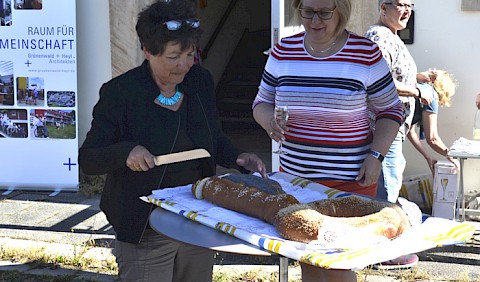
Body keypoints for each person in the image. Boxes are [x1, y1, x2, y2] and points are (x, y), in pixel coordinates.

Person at [78, 1, 267, 281]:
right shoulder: (120, 93)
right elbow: (90, 158)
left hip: (196, 219)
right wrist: (126, 152)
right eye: (174, 56)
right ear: (147, 51)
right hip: (145, 226)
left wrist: (238, 157)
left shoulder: (199, 82)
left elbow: (212, 138)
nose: (184, 65)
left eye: (190, 54)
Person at [252, 0, 403, 280]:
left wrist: (376, 156)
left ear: (341, 11)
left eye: (324, 13)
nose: (314, 21)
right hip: (297, 179)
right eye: (307, 12)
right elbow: (261, 102)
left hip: (349, 180)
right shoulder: (283, 51)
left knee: (338, 264)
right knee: (308, 259)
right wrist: (268, 120)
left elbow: (391, 110)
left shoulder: (365, 53)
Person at [365, 0, 434, 269]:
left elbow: (397, 73)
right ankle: (384, 253)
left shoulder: (391, 35)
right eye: (401, 5)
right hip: (383, 128)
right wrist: (417, 92)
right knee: (386, 189)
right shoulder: (379, 35)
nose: (407, 11)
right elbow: (379, 80)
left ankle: (382, 247)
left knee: (388, 185)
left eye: (410, 5)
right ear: (384, 7)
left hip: (393, 127)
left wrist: (419, 78)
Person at [408, 69, 459, 173]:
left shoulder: (419, 87)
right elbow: (433, 139)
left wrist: (428, 157)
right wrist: (452, 158)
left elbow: (409, 130)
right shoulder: (431, 95)